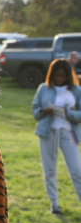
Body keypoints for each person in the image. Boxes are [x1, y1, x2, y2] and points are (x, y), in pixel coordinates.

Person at [32, 58, 81, 214]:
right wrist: (43, 111)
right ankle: (55, 204)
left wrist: (68, 113)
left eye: (63, 76)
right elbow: (35, 111)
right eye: (56, 76)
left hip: (69, 134)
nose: (59, 79)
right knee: (50, 170)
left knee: (77, 171)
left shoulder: (76, 91)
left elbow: (79, 115)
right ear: (51, 75)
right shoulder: (43, 88)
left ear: (68, 76)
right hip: (48, 133)